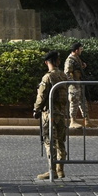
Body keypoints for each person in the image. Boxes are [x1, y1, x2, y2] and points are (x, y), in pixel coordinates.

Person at [33, 50, 68, 180]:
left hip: (50, 114)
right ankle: (61, 170)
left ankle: (51, 170)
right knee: (60, 142)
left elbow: (41, 96)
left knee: (49, 142)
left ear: (46, 62)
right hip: (61, 113)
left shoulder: (47, 77)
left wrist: (36, 109)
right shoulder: (63, 76)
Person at [64, 42, 89, 128]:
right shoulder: (70, 60)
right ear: (76, 50)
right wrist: (73, 82)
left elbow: (78, 68)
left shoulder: (77, 58)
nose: (81, 51)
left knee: (83, 102)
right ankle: (72, 121)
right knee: (74, 102)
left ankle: (87, 120)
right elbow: (67, 73)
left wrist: (83, 66)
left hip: (79, 83)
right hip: (74, 85)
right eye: (80, 49)